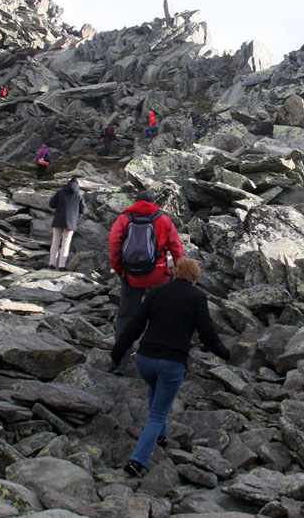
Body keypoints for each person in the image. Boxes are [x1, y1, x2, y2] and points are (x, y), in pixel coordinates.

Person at [111, 258, 230, 478]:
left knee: (154, 392)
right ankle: (137, 461)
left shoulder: (157, 292)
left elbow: (135, 324)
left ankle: (161, 437)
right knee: (157, 414)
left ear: (176, 272)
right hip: (172, 363)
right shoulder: (197, 297)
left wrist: (118, 351)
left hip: (145, 359)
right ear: (196, 277)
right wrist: (224, 353)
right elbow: (207, 333)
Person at [108, 191, 184, 375]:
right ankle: (157, 360)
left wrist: (121, 270)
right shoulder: (163, 219)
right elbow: (176, 247)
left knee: (126, 317)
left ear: (136, 202)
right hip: (159, 277)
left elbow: (114, 244)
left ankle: (119, 363)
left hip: (131, 277)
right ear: (154, 202)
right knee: (160, 318)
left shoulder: (125, 218)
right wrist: (180, 275)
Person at [48, 177, 86, 270]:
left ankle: (52, 264)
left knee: (55, 242)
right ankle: (62, 265)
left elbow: (51, 204)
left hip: (58, 220)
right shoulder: (79, 196)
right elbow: (83, 210)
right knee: (66, 243)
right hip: (70, 222)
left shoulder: (60, 192)